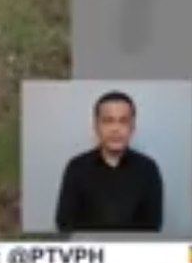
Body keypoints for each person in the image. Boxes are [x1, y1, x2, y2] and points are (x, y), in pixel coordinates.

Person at [55, 91, 163, 233]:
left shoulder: (148, 169)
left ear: (132, 127)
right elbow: (64, 222)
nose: (115, 129)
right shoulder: (76, 167)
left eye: (123, 121)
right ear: (96, 126)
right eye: (108, 121)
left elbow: (153, 225)